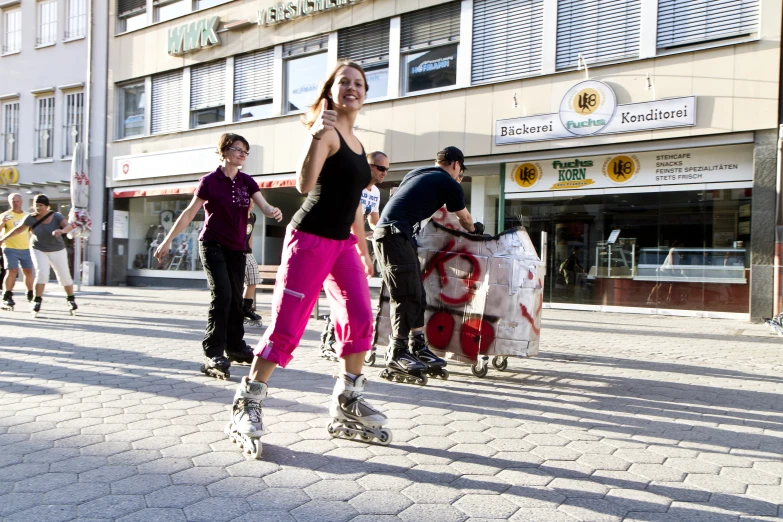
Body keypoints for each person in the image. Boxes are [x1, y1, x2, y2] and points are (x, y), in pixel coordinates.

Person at [226, 60, 390, 459]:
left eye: (359, 84)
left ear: (365, 94)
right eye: (343, 83)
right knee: (287, 326)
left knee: (362, 319)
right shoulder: (329, 132)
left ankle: (347, 398)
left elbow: (353, 203)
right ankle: (247, 402)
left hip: (342, 246)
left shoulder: (357, 141)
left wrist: (363, 250)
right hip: (310, 240)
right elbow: (303, 185)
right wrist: (316, 137)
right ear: (330, 91)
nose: (352, 88)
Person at [154, 133, 282, 379]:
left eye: (246, 151)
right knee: (222, 294)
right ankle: (213, 352)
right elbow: (190, 213)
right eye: (238, 149)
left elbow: (263, 206)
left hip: (237, 249)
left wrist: (272, 210)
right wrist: (167, 240)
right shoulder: (209, 181)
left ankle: (235, 347)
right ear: (224, 151)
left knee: (235, 298)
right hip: (212, 244)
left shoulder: (247, 182)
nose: (243, 154)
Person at [373, 146, 483, 384]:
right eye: (460, 172)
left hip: (398, 235)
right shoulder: (447, 182)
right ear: (455, 164)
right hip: (394, 236)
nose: (459, 177)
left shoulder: (418, 172)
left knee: (417, 294)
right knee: (405, 294)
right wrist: (475, 229)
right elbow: (464, 218)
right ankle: (397, 352)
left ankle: (417, 345)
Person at [319, 150, 389, 361]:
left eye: (387, 169)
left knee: (352, 296)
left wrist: (381, 230)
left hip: (353, 247)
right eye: (381, 168)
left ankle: (339, 340)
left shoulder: (375, 192)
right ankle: (329, 340)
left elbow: (373, 221)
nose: (384, 172)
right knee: (343, 295)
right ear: (368, 166)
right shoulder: (351, 184)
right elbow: (345, 215)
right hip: (335, 243)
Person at [0, 194, 78, 316]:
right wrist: (3, 238)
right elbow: (18, 229)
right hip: (38, 249)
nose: (38, 207)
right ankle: (36, 301)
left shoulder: (56, 216)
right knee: (41, 274)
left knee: (64, 276)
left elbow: (67, 226)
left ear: (47, 206)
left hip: (57, 250)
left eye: (41, 205)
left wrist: (62, 231)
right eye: (36, 205)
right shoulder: (30, 218)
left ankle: (70, 299)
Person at [1, 193, 35, 310]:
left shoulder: (27, 215)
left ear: (21, 202)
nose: (15, 203)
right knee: (12, 270)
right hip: (9, 247)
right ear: (9, 202)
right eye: (13, 201)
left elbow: (32, 231)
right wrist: (2, 223)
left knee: (28, 271)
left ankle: (30, 294)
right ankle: (7, 295)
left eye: (17, 201)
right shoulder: (5, 215)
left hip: (26, 248)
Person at [242, 200, 263, 327]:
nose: (251, 204)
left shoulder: (253, 216)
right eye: (248, 202)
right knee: (237, 283)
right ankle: (234, 310)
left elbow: (250, 235)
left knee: (253, 279)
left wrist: (250, 250)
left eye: (253, 202)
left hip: (247, 253)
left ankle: (246, 308)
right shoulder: (238, 216)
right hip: (236, 253)